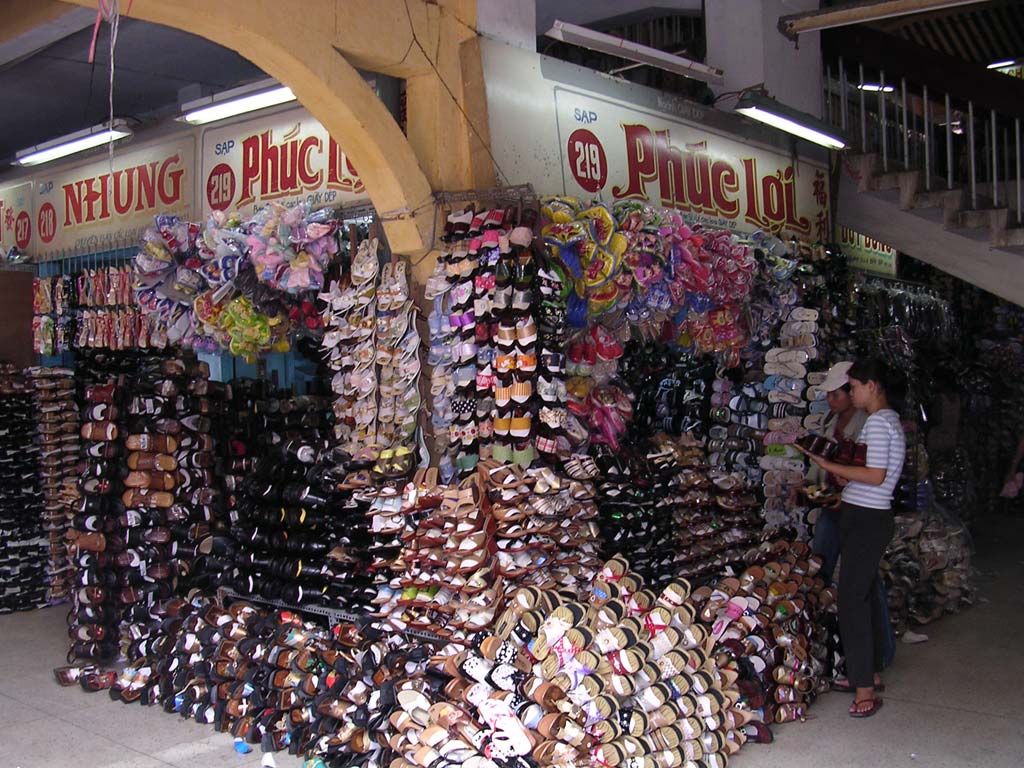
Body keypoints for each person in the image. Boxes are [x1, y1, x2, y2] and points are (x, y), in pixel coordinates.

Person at [797, 357, 906, 719]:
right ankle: (868, 672)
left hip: (867, 520)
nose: (853, 391)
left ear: (870, 386)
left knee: (851, 603)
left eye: (855, 386)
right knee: (861, 596)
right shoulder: (889, 421)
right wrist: (847, 481)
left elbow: (875, 476)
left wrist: (825, 464)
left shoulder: (876, 423)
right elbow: (877, 477)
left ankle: (864, 691)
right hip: (868, 514)